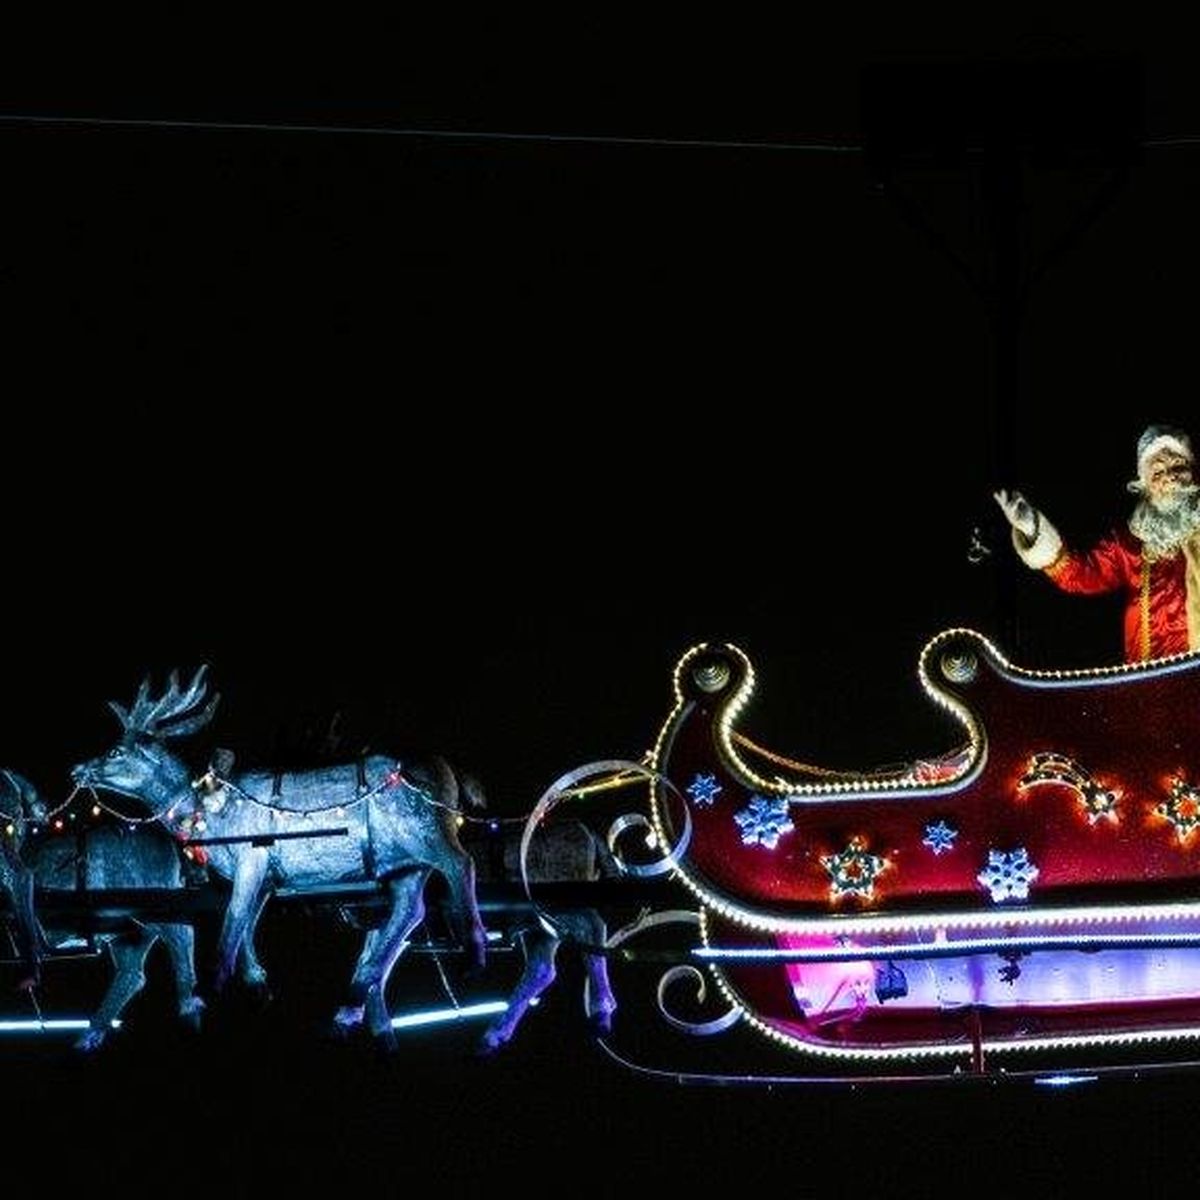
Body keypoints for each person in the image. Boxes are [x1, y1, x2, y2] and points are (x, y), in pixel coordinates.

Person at [994, 423, 1200, 664]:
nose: (1170, 477)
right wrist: (1032, 529)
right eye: (1157, 472)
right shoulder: (1128, 543)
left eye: (1178, 466)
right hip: (1148, 679)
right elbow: (1080, 574)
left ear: (1193, 472)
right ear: (1144, 485)